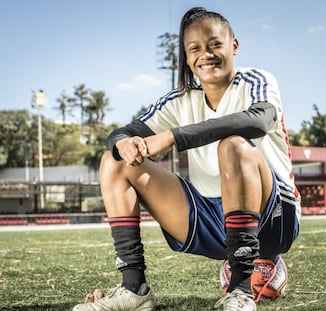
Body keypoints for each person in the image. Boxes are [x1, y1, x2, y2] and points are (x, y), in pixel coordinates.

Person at [73, 6, 300, 311]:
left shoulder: (256, 80)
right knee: (114, 159)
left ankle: (241, 290)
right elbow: (121, 133)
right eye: (195, 48)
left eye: (215, 44)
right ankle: (134, 289)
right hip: (209, 217)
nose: (206, 54)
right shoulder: (179, 100)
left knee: (232, 146)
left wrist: (171, 137)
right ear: (186, 55)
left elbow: (259, 120)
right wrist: (125, 144)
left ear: (234, 45)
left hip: (272, 218)